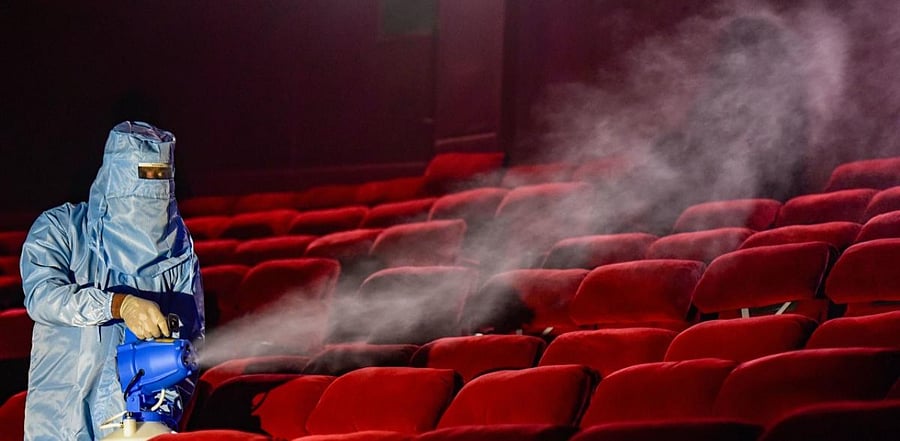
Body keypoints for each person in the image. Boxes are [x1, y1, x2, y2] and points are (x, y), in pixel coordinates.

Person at [20, 121, 204, 440]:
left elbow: (191, 343)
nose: (150, 208)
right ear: (116, 183)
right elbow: (43, 298)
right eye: (143, 186)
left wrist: (160, 407)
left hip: (134, 425)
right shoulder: (60, 229)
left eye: (161, 185)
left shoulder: (177, 249)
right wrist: (118, 305)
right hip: (61, 423)